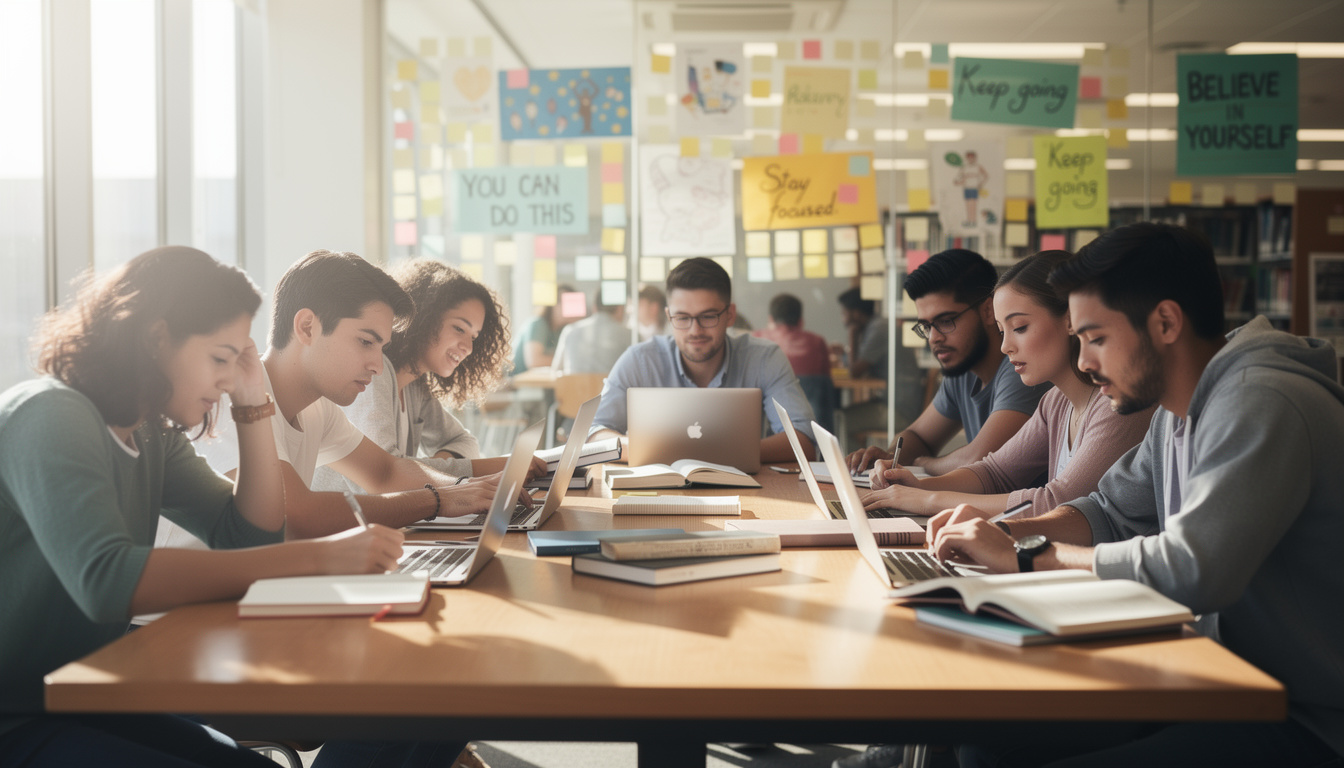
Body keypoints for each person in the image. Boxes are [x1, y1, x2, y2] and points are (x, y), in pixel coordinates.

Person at [0, 246, 456, 767]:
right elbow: (106, 580)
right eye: (220, 358)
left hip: (77, 698)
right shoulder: (50, 414)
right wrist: (321, 555)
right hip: (17, 716)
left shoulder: (151, 435)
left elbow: (248, 536)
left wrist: (252, 401)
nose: (226, 378)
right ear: (157, 340)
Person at [926, 223, 1344, 768]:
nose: (1083, 362)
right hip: (1217, 682)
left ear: (1165, 323)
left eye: (1096, 339)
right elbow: (1109, 509)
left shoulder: (1260, 401)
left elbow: (1192, 568)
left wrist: (1030, 556)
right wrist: (1006, 534)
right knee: (988, 744)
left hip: (1303, 716)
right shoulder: (1176, 411)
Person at [179, 250, 507, 542]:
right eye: (365, 342)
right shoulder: (231, 397)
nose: (377, 365)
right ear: (307, 327)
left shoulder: (318, 410)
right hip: (206, 593)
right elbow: (297, 517)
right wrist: (439, 499)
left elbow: (386, 473)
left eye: (381, 347)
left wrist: (474, 489)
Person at [858, 250, 1155, 519]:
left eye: (1020, 328)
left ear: (1071, 319)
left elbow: (1057, 502)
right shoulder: (1055, 402)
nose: (1005, 347)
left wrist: (927, 499)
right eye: (1002, 331)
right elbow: (994, 472)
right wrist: (917, 486)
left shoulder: (1117, 404)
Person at [312, 259, 542, 497]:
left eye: (474, 337)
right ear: (424, 318)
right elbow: (386, 475)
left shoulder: (415, 387)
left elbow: (465, 442)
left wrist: (431, 468)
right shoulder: (372, 376)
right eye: (459, 329)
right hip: (353, 517)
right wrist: (496, 467)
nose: (468, 347)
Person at [846, 248, 1050, 477]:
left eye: (945, 321)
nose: (934, 338)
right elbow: (918, 436)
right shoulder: (963, 370)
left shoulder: (1021, 369)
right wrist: (890, 457)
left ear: (988, 311)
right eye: (926, 326)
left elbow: (978, 459)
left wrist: (922, 463)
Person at [591, 257, 817, 462]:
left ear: (730, 315)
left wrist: (710, 453)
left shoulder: (764, 358)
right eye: (682, 318)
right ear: (669, 316)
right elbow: (594, 435)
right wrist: (651, 449)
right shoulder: (640, 361)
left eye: (708, 317)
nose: (695, 330)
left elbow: (805, 440)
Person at [753, 293, 834, 432]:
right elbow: (826, 378)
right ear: (801, 321)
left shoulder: (757, 340)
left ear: (770, 319)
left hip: (768, 427)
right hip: (815, 424)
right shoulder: (817, 342)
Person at [551, 287, 631, 375]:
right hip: (608, 384)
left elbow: (556, 370)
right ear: (620, 308)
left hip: (575, 384)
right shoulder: (630, 335)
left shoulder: (570, 331)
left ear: (594, 307)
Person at [511, 283, 577, 374]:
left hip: (541, 379)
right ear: (553, 304)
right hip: (520, 379)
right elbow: (534, 361)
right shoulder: (538, 324)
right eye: (567, 302)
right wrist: (570, 360)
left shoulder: (563, 330)